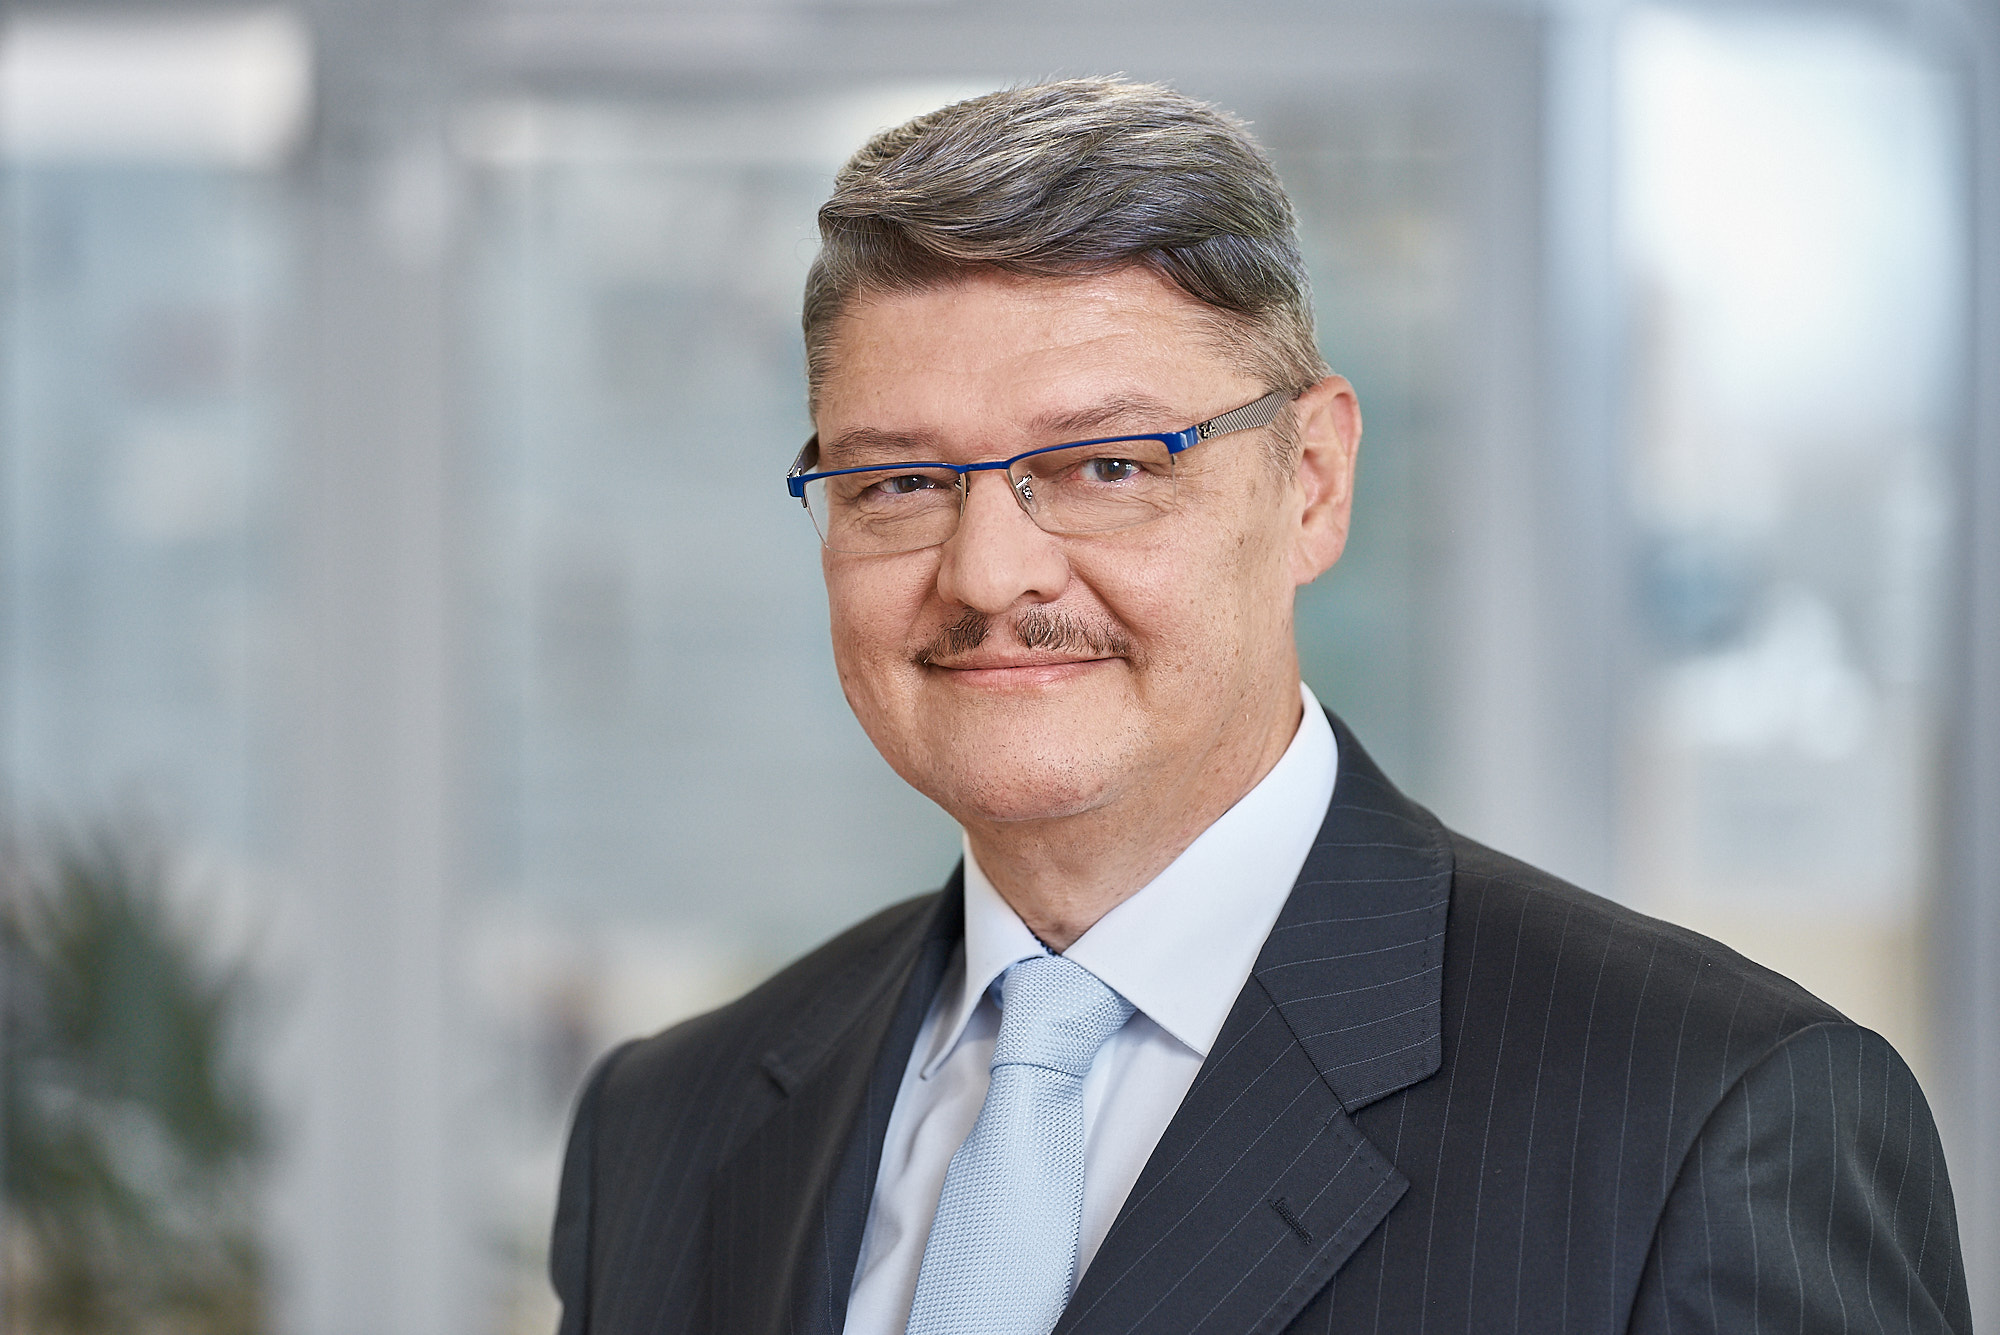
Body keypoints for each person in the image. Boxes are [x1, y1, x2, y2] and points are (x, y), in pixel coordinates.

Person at [548, 78, 1968, 1335]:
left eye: (1107, 465)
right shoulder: (667, 1132)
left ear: (1314, 483)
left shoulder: (1703, 1122)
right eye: (900, 482)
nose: (987, 573)